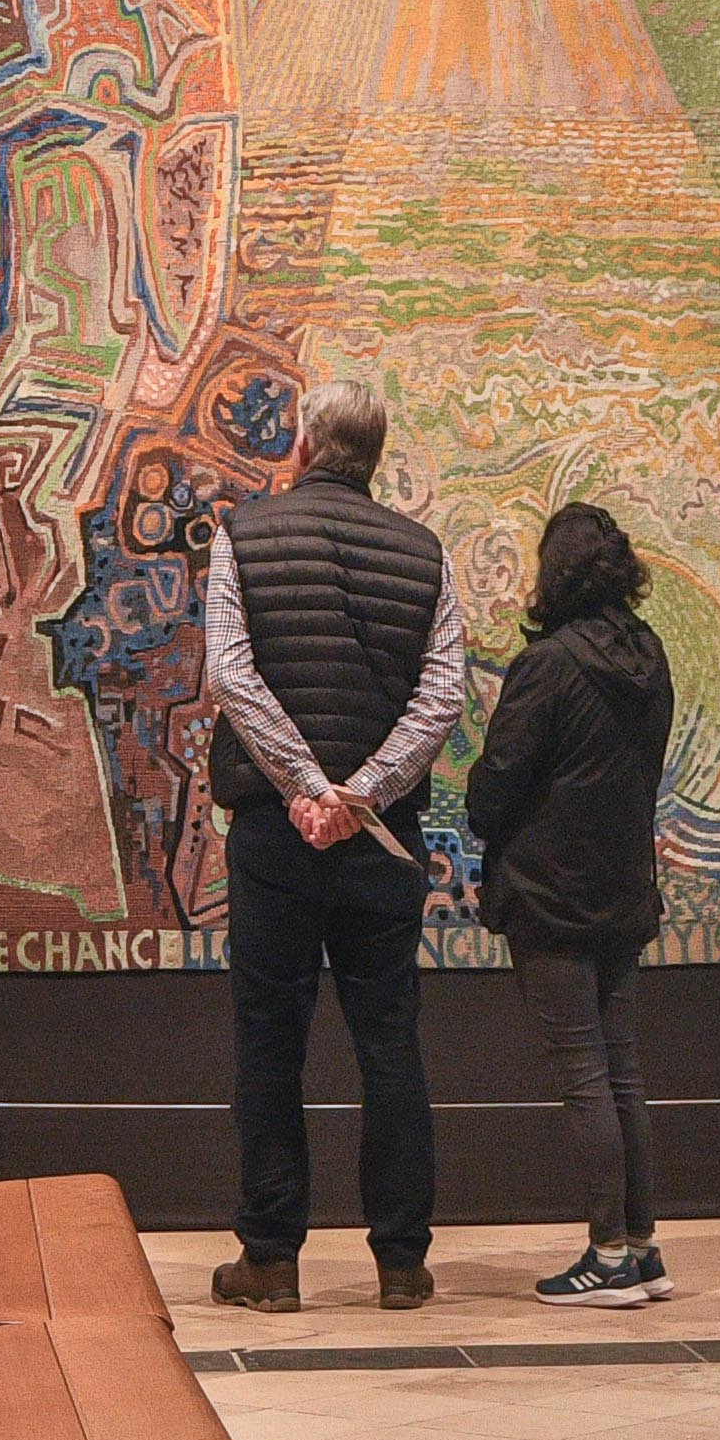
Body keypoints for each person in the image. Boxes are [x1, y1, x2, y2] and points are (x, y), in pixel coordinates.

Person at [203, 377, 467, 1312]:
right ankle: (401, 1262)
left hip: (277, 836)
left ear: (305, 445)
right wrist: (362, 794)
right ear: (378, 455)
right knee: (388, 1040)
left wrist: (306, 790)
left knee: (269, 1044)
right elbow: (443, 696)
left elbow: (229, 673)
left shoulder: (243, 536)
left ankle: (270, 1261)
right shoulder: (424, 552)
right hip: (380, 842)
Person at [470, 504, 674, 1308]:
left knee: (584, 1075)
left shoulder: (549, 666)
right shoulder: (650, 657)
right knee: (621, 1071)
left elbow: (495, 788)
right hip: (624, 890)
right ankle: (643, 1247)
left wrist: (487, 807)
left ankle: (607, 1256)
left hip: (550, 898)